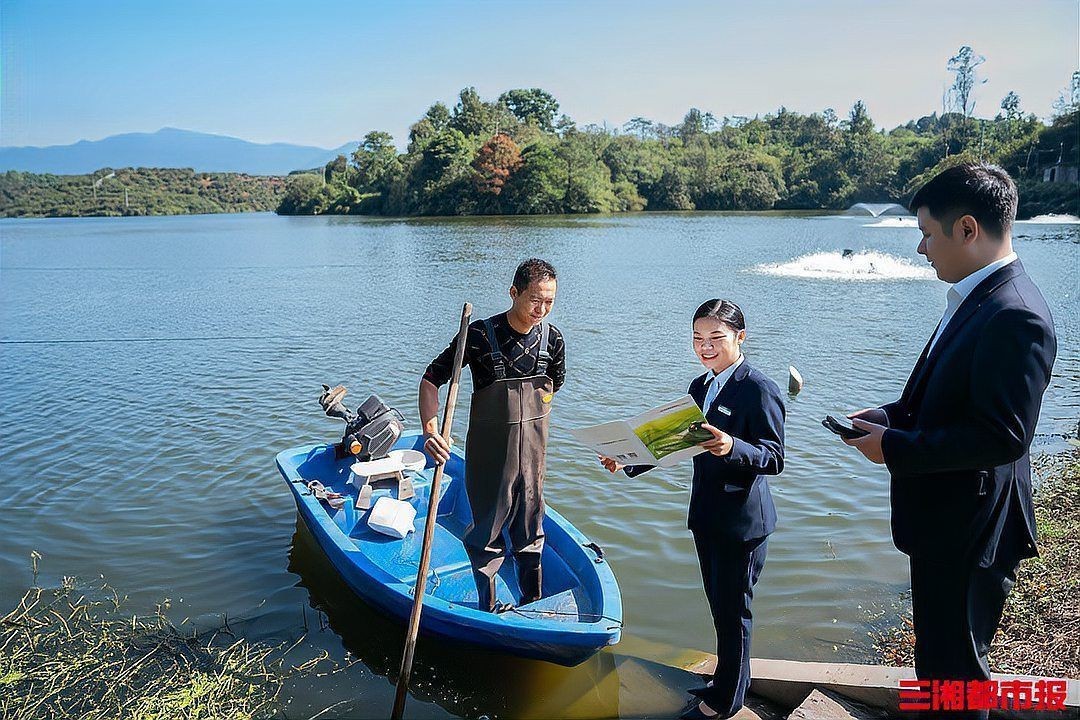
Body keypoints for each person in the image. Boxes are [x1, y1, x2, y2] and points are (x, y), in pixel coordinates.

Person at [843, 164, 1056, 718]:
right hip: (948, 521)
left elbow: (1003, 435)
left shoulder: (1016, 315)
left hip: (971, 528)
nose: (920, 248)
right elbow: (949, 396)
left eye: (927, 234)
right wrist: (890, 417)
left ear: (967, 230)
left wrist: (895, 448)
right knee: (937, 664)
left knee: (958, 675)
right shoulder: (979, 296)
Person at [600, 299, 785, 720]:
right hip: (706, 515)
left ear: (741, 337)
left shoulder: (759, 388)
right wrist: (627, 459)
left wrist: (731, 445)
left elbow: (774, 457)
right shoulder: (700, 387)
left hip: (743, 522)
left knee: (735, 611)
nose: (706, 347)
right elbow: (673, 444)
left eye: (716, 338)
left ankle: (725, 702)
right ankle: (726, 679)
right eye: (698, 339)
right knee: (720, 607)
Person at [420, 258, 565, 613]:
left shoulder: (553, 340)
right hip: (489, 459)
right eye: (534, 299)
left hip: (534, 459)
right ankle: (489, 606)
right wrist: (430, 431)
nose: (541, 310)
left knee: (532, 532)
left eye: (549, 301)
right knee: (487, 534)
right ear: (514, 292)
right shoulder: (481, 335)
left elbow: (553, 388)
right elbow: (430, 379)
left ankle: (532, 604)